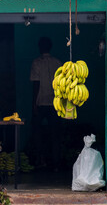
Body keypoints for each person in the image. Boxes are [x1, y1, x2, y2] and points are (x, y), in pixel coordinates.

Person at [30, 37, 62, 170]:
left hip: (41, 101)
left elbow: (36, 84)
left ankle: (40, 159)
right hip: (56, 103)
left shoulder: (36, 63)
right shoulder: (58, 63)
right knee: (56, 134)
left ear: (39, 48)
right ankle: (56, 163)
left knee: (36, 132)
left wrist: (34, 103)